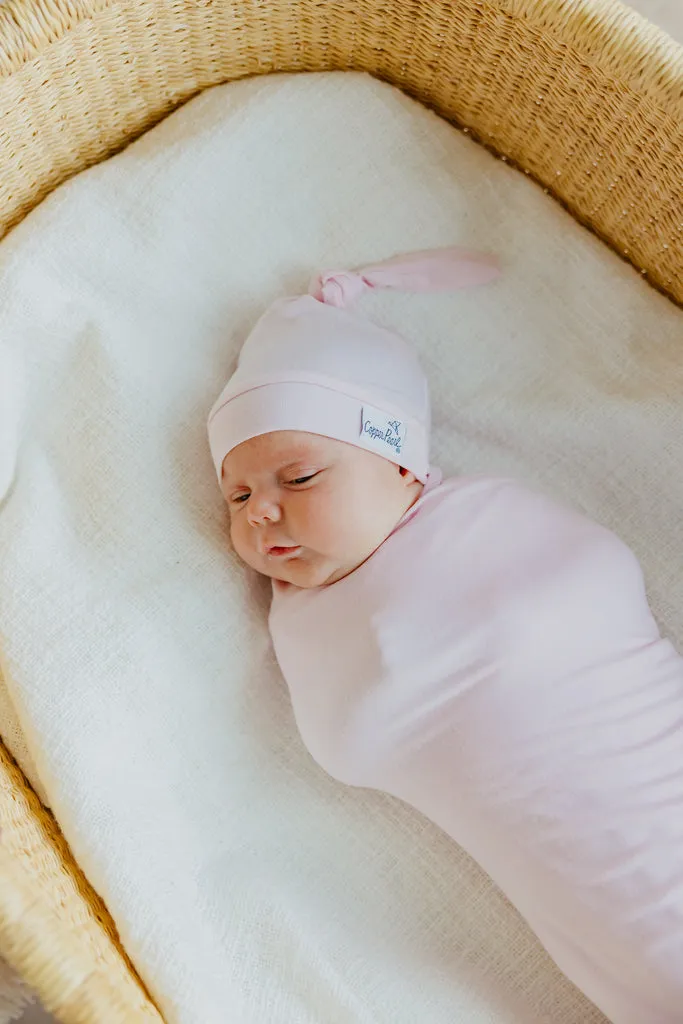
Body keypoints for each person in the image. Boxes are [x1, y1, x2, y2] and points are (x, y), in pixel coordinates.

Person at [207, 248, 683, 1024]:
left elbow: (580, 591)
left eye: (297, 478)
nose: (260, 510)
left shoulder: (484, 523)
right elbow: (357, 739)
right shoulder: (303, 623)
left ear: (401, 467)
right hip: (606, 939)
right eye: (238, 494)